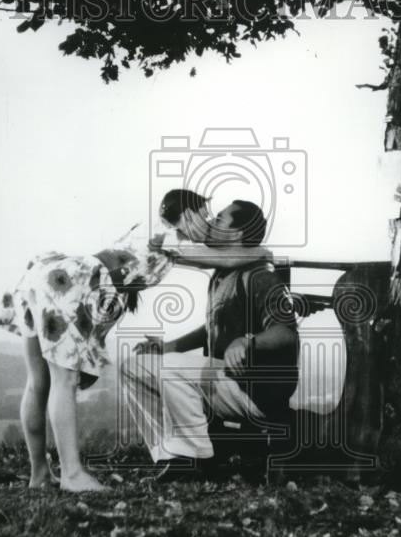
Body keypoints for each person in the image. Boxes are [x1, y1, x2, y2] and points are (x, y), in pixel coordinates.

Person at [0, 189, 271, 492]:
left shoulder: (154, 233)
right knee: (64, 381)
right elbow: (225, 259)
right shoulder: (168, 235)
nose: (208, 224)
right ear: (188, 216)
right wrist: (263, 253)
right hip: (70, 287)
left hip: (48, 276)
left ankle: (40, 474)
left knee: (38, 382)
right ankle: (72, 475)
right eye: (205, 216)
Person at [123, 200, 300, 481]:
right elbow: (213, 326)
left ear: (238, 234)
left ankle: (194, 460)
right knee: (134, 366)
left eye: (220, 219)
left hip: (257, 391)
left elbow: (286, 333)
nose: (211, 224)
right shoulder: (223, 273)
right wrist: (168, 347)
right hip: (225, 380)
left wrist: (246, 342)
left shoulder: (260, 276)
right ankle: (172, 456)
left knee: (170, 367)